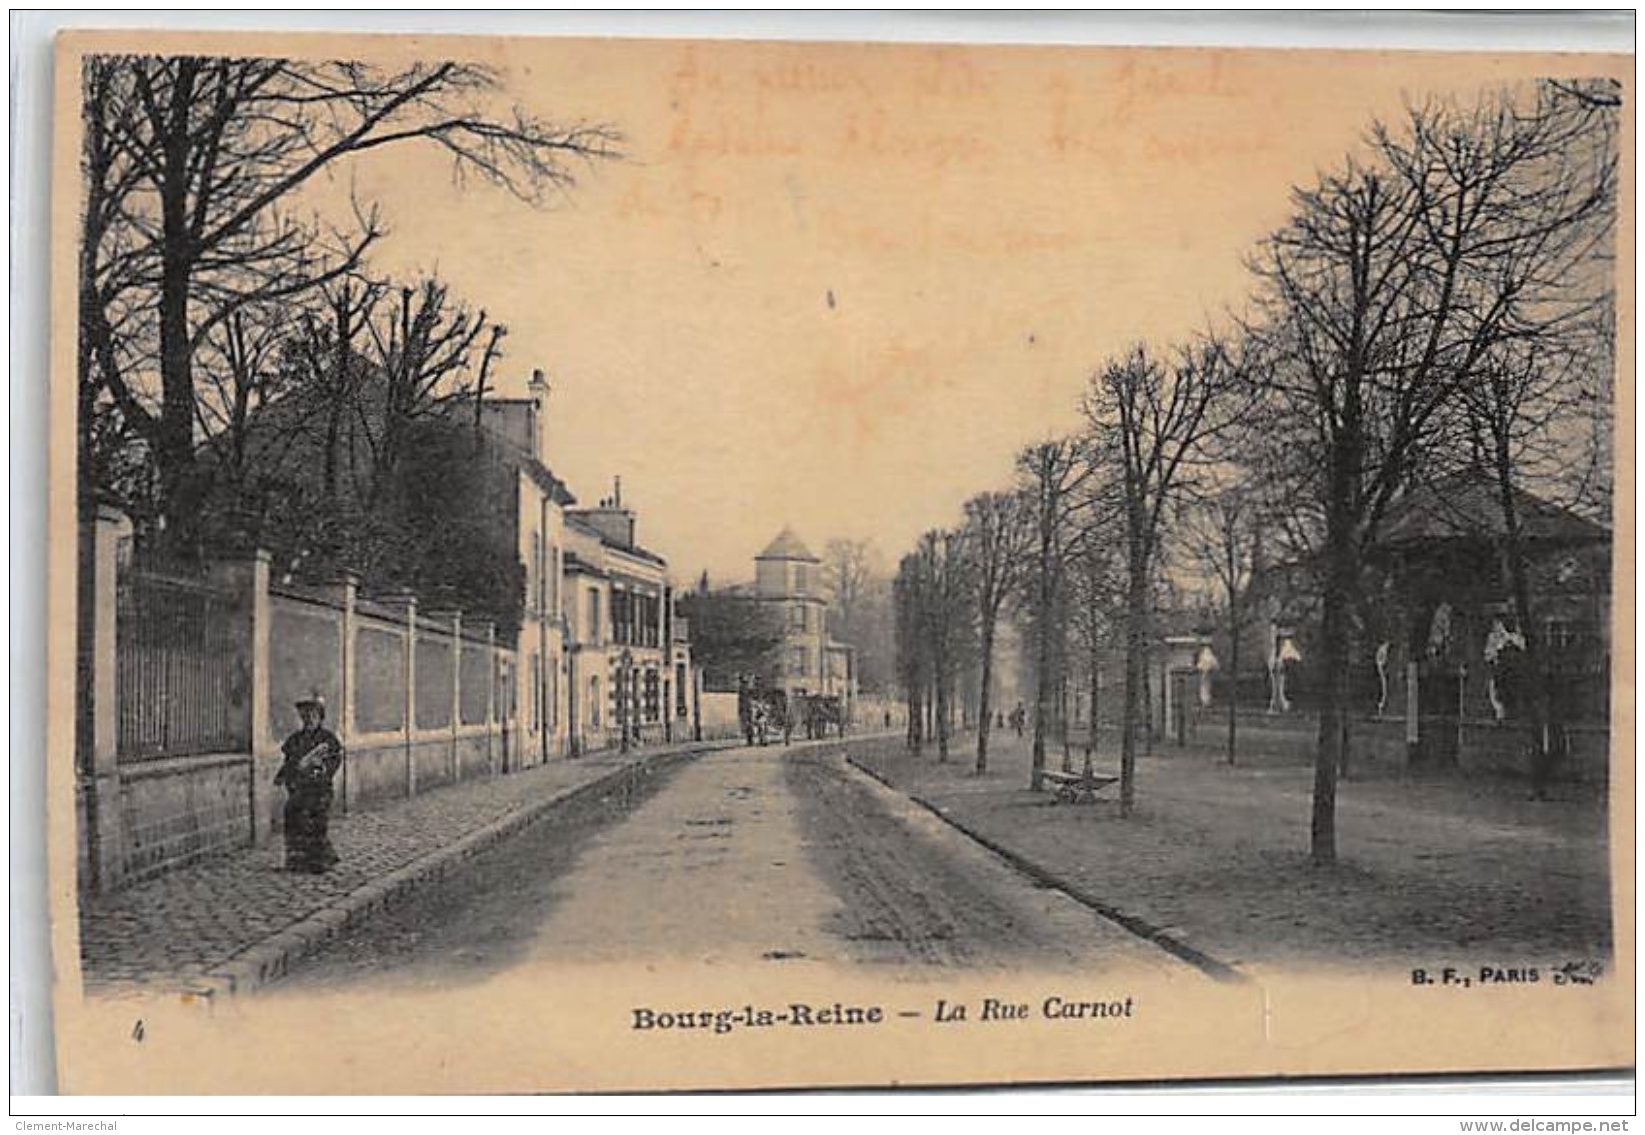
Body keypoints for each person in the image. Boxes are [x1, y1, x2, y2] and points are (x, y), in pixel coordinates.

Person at [275, 694, 345, 874]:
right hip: (299, 788)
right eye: (305, 715)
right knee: (293, 818)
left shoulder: (328, 739)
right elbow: (289, 761)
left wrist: (323, 771)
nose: (308, 719)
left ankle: (319, 861)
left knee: (316, 821)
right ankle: (296, 860)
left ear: (320, 717)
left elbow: (334, 761)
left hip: (319, 789)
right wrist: (283, 775)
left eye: (313, 715)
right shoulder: (295, 740)